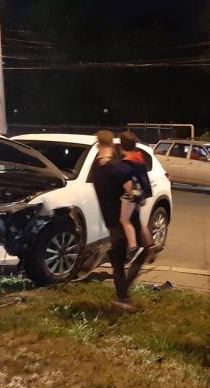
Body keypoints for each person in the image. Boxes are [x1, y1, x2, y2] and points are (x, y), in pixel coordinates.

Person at [90, 130, 145, 313]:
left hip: (110, 220)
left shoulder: (97, 167)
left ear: (98, 145)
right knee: (141, 251)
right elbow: (134, 194)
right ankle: (123, 297)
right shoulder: (118, 169)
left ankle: (123, 296)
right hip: (125, 220)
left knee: (118, 262)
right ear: (113, 146)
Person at [118, 131, 157, 264]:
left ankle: (133, 247)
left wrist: (129, 194)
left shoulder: (127, 162)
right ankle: (150, 246)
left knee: (124, 220)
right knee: (139, 222)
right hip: (141, 193)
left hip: (131, 194)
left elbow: (128, 182)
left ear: (121, 146)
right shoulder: (139, 158)